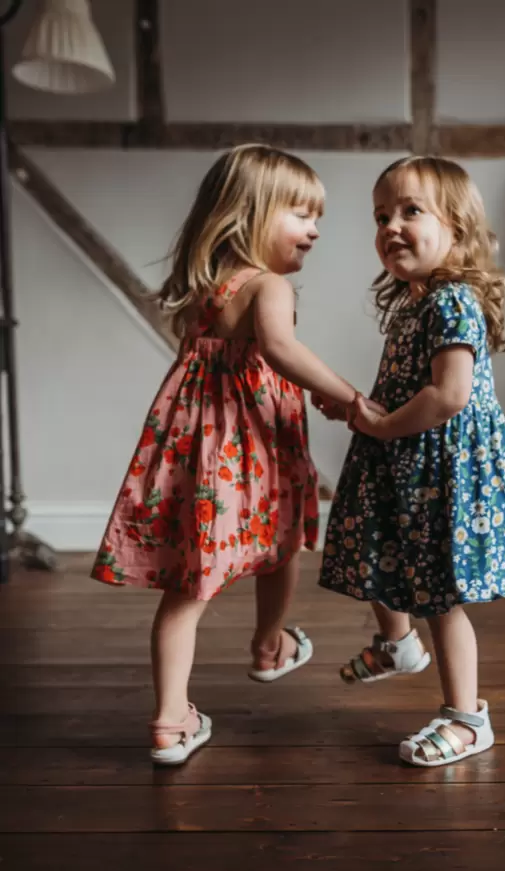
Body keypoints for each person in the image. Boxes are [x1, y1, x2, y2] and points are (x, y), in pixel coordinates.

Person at [91, 144, 363, 766]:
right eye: (300, 214)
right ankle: (269, 645)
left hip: (199, 454)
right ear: (251, 213)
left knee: (188, 586)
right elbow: (281, 350)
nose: (314, 229)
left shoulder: (204, 289)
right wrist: (351, 399)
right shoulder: (268, 286)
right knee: (283, 541)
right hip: (255, 446)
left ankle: (169, 720)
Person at [316, 155, 505, 767]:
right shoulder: (416, 304)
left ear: (457, 228)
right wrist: (366, 414)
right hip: (406, 461)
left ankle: (468, 718)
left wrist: (385, 424)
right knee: (372, 543)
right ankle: (396, 643)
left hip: (440, 471)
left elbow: (449, 395)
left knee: (440, 597)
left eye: (410, 211)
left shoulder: (451, 301)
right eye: (381, 215)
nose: (391, 225)